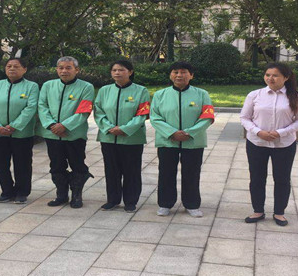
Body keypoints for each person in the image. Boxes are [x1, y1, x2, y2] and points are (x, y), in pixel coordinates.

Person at [240, 62, 298, 226]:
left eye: (275, 75)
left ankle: (279, 213)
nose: (270, 78)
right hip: (256, 143)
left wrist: (280, 133)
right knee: (256, 178)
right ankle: (258, 211)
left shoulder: (297, 96)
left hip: (284, 144)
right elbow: (244, 118)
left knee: (282, 178)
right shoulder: (254, 95)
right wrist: (258, 132)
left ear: (286, 77)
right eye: (267, 75)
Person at [150, 61, 214, 218]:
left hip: (193, 141)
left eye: (184, 72)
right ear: (170, 75)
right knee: (166, 173)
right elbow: (155, 117)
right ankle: (165, 204)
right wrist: (171, 133)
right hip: (167, 141)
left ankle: (191, 204)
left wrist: (189, 133)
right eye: (175, 72)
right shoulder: (160, 95)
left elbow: (207, 116)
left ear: (191, 75)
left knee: (192, 173)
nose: (179, 75)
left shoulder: (202, 94)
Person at [37, 56, 95, 209]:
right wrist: (51, 125)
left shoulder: (86, 87)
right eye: (61, 67)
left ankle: (76, 195)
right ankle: (61, 195)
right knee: (56, 165)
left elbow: (84, 111)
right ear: (56, 69)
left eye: (68, 67)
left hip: (74, 135)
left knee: (77, 165)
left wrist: (65, 126)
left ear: (77, 70)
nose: (64, 71)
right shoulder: (48, 85)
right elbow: (42, 106)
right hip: (52, 134)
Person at [94, 60, 150, 213]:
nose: (117, 73)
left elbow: (142, 113)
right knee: (111, 170)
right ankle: (112, 200)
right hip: (108, 137)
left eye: (121, 70)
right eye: (114, 70)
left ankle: (131, 201)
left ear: (130, 72)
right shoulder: (104, 91)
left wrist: (125, 129)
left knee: (131, 171)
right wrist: (109, 127)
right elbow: (98, 111)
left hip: (132, 138)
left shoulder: (141, 91)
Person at [0, 58, 39, 204]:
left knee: (23, 163)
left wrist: (14, 126)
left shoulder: (31, 87)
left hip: (21, 133)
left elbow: (31, 108)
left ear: (24, 69)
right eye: (9, 66)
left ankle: (22, 192)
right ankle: (6, 191)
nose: (12, 69)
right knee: (0, 163)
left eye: (16, 66)